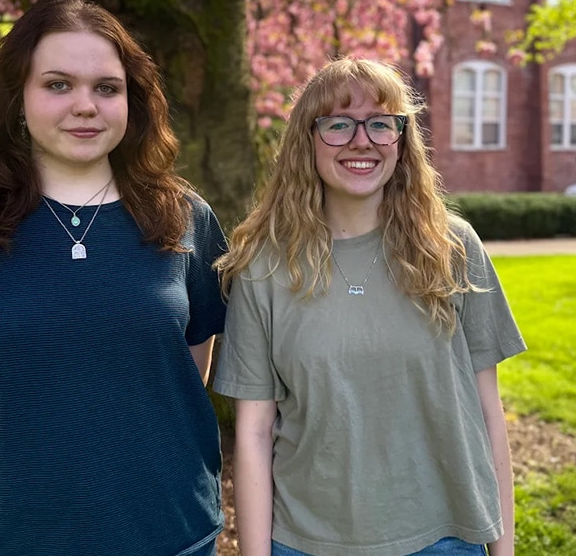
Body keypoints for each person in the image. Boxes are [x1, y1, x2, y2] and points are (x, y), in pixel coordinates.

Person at [0, 0, 228, 556]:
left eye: (107, 88)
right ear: (18, 98)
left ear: (132, 101)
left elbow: (188, 368)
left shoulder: (184, 219)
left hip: (168, 528)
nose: (85, 105)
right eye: (57, 84)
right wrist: (24, 477)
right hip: (12, 533)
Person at [213, 57, 525, 556]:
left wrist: (503, 551)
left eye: (381, 124)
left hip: (445, 537)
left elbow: (489, 415)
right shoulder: (263, 267)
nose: (363, 141)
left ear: (402, 141)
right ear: (306, 141)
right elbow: (253, 433)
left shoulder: (452, 249)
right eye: (339, 124)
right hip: (305, 542)